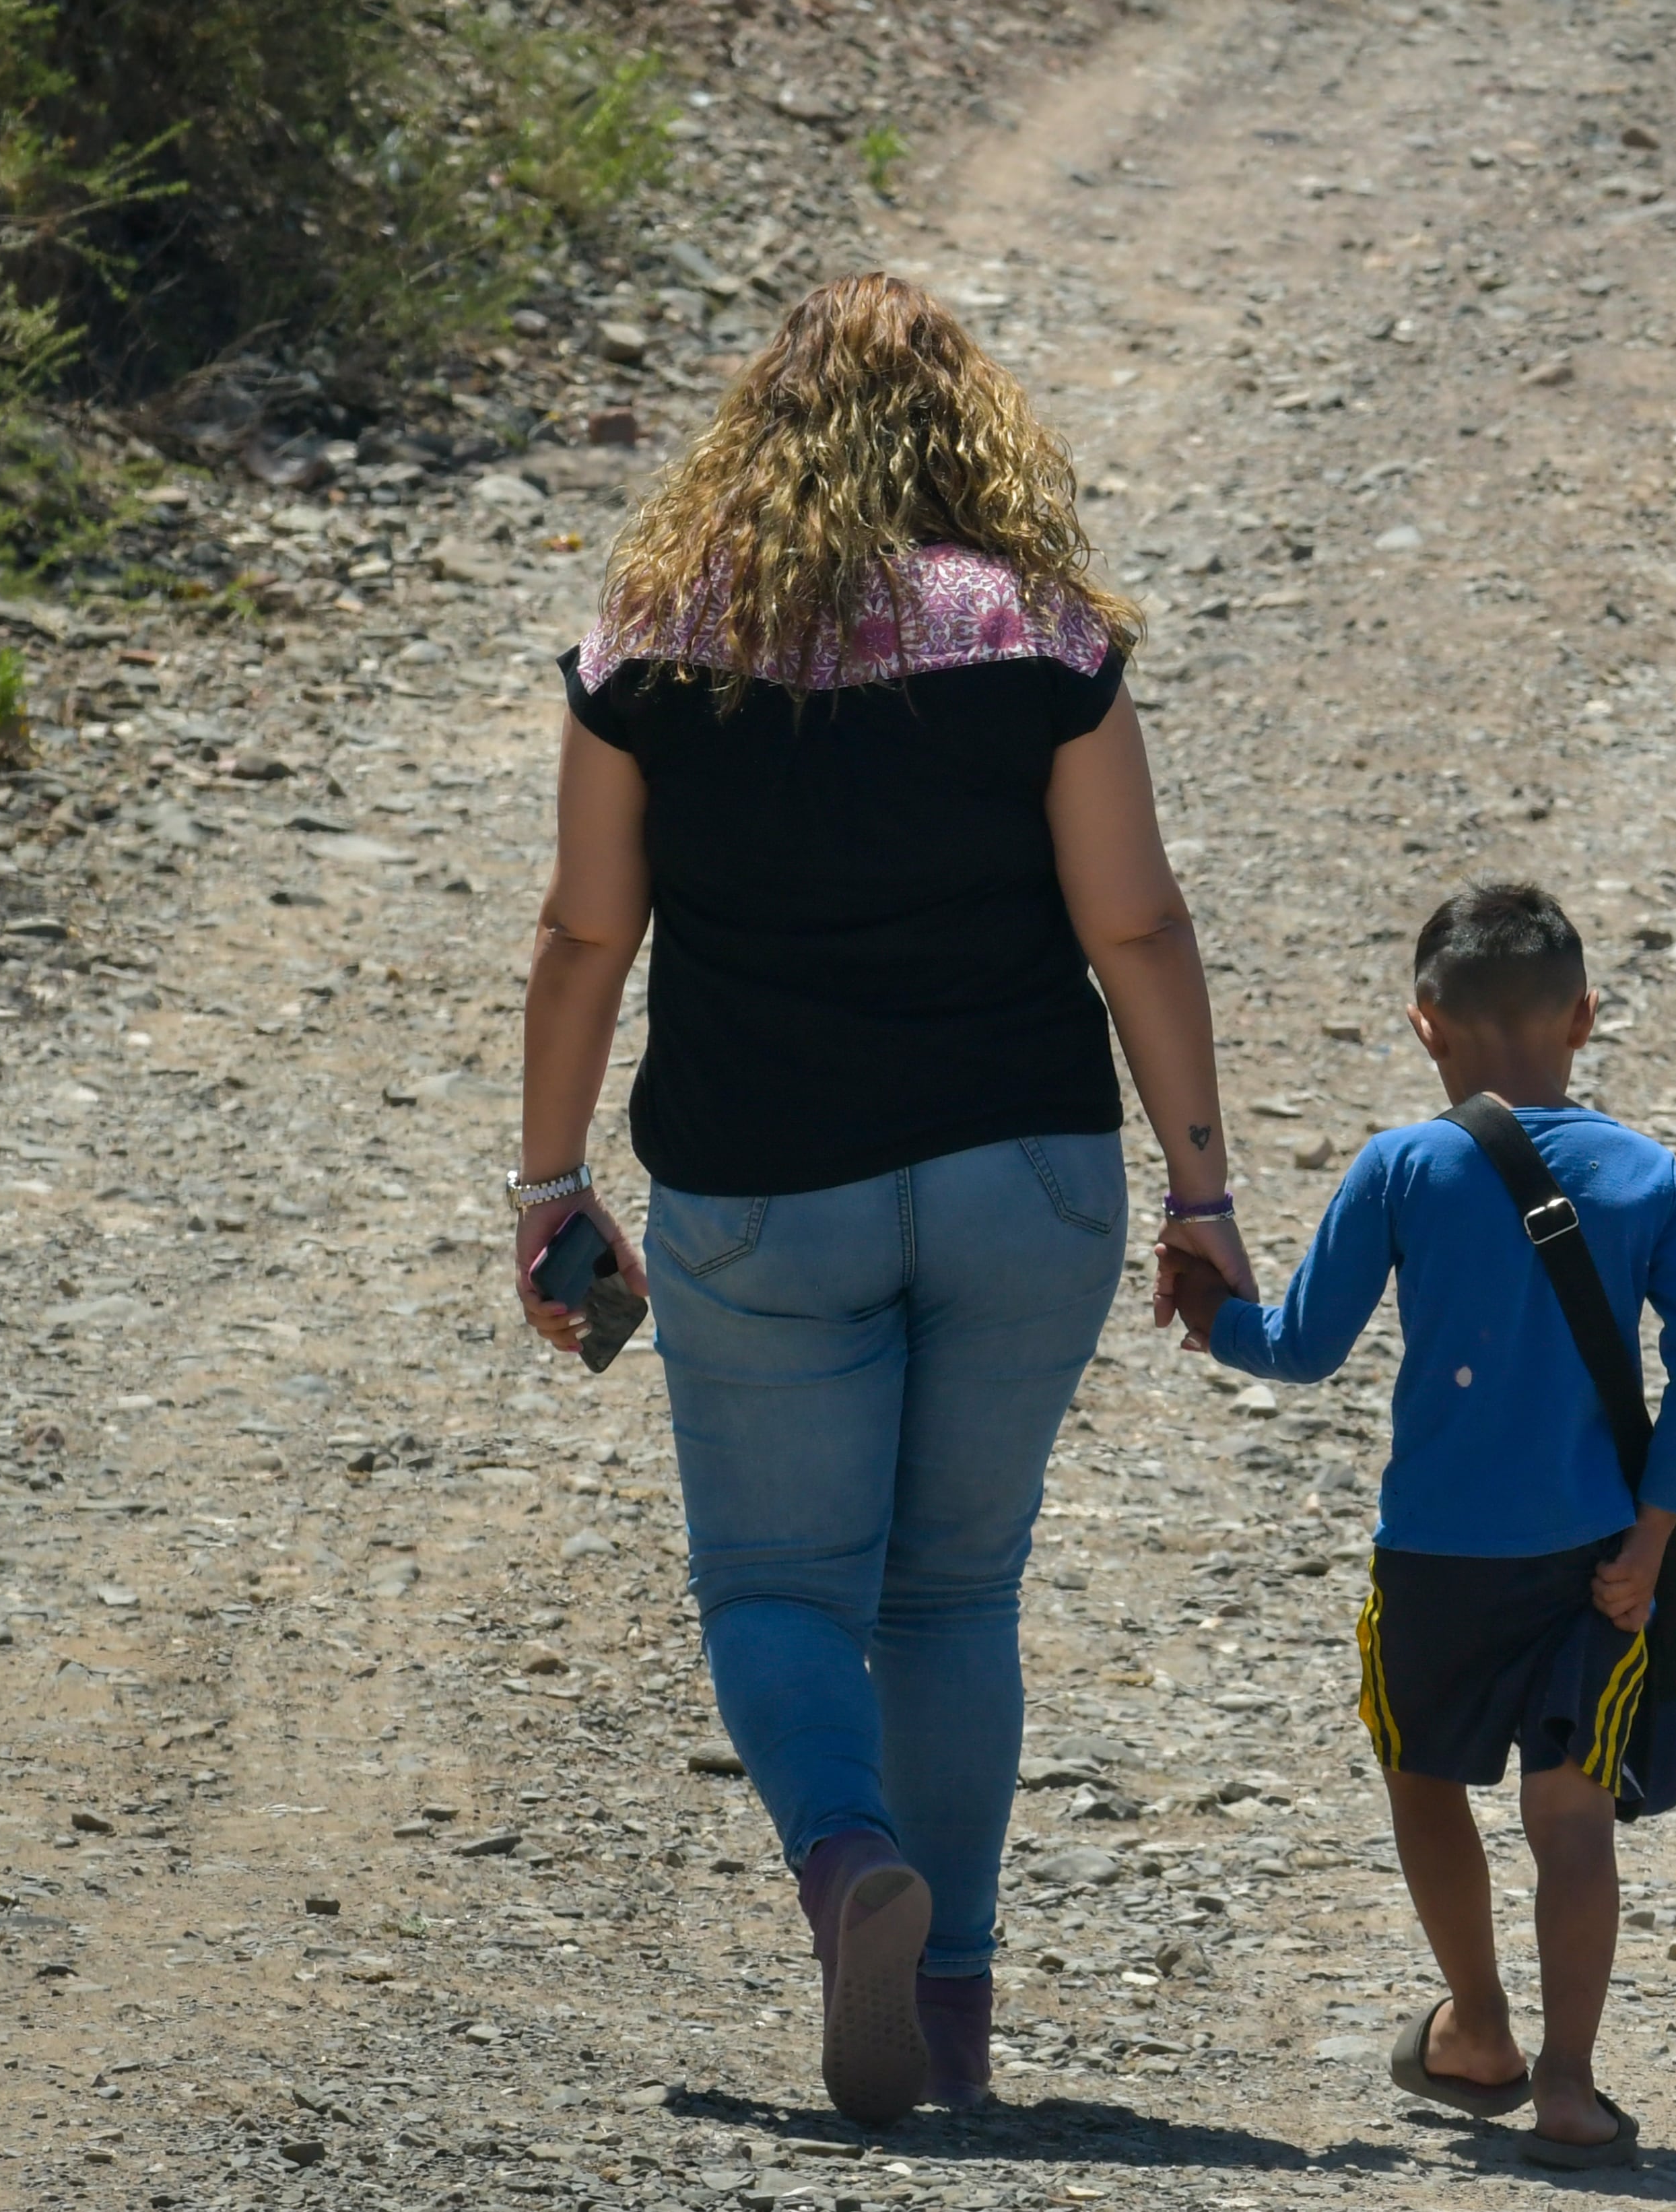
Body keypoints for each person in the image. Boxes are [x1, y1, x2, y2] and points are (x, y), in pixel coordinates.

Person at [508, 271, 1255, 2124]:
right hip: (1027, 1173)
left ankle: (847, 1860)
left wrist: (547, 1178)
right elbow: (1137, 920)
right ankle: (948, 2019)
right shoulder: (1043, 632)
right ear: (970, 438)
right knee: (954, 1590)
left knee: (776, 1581)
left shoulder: (657, 640)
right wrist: (1202, 1185)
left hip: (764, 1189)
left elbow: (589, 926)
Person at [1164, 881, 1676, 2168]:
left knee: (1425, 1774)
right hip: (1597, 1563)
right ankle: (1573, 2087)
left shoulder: (1405, 1165)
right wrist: (1653, 1537)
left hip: (1432, 1557)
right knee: (1573, 1816)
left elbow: (1304, 1346)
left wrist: (1211, 1316)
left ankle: (1477, 2027)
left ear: (1426, 1029)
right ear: (1585, 1016)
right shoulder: (1647, 1173)